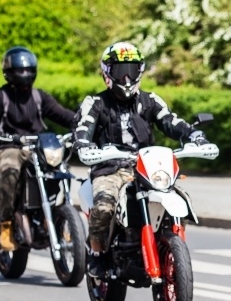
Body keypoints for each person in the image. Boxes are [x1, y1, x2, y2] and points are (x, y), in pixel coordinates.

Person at [73, 41, 209, 279]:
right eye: (119, 71)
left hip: (146, 167)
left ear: (140, 71)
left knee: (180, 199)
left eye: (132, 70)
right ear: (107, 73)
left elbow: (170, 121)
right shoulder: (95, 103)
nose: (126, 78)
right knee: (104, 206)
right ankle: (96, 253)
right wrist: (83, 143)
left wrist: (193, 134)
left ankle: (171, 251)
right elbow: (83, 127)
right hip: (110, 168)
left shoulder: (149, 100)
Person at [0, 46, 76, 250]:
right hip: (10, 147)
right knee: (10, 172)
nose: (24, 74)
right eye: (19, 71)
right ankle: (6, 224)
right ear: (9, 72)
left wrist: (84, 123)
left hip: (38, 147)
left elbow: (63, 114)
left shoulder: (40, 97)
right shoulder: (0, 96)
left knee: (61, 170)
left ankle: (60, 217)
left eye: (28, 70)